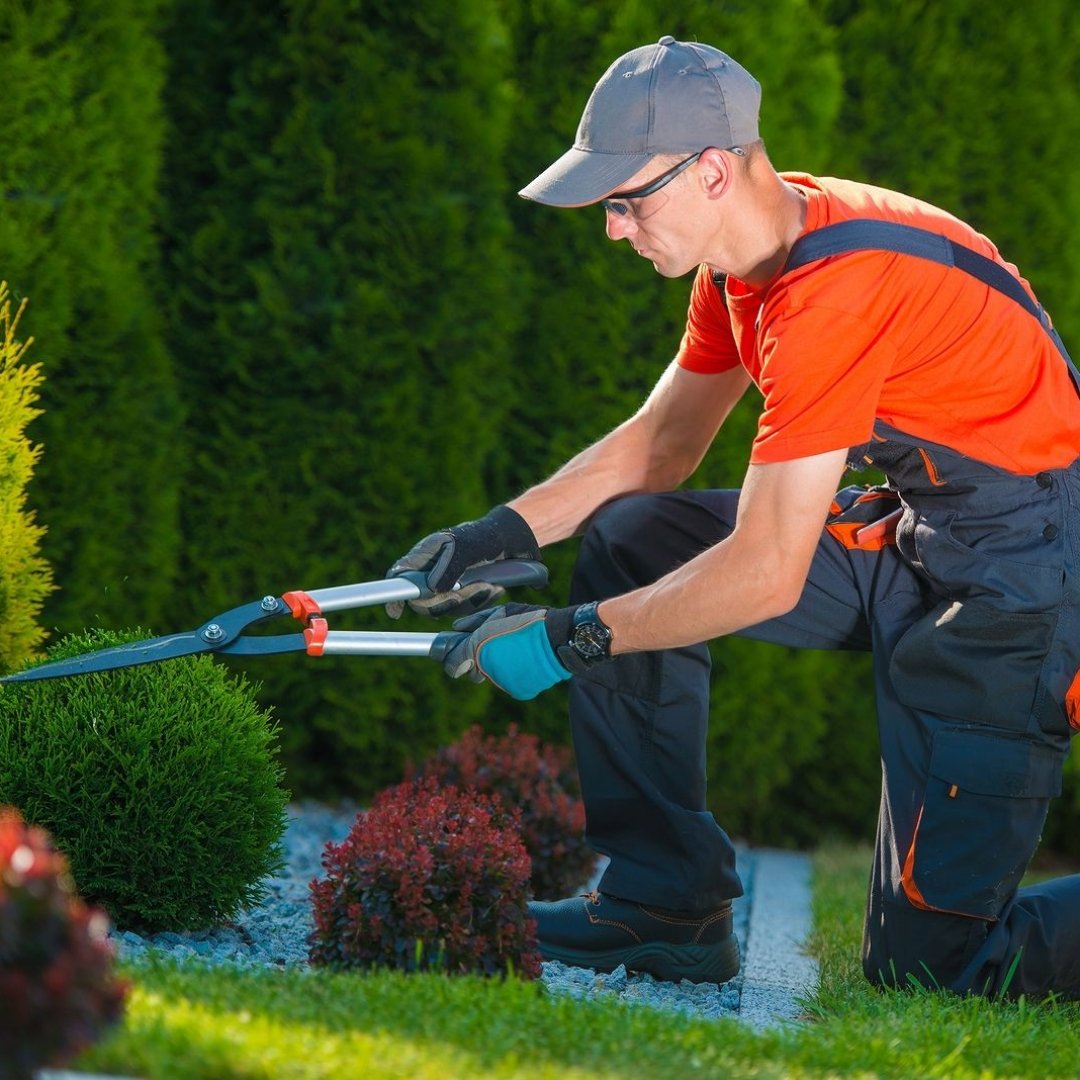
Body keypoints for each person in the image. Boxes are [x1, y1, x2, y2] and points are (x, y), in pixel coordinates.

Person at [387, 35, 1080, 997]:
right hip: (921, 525)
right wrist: (498, 533)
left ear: (712, 169)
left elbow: (765, 571)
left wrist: (566, 639)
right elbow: (661, 444)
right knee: (636, 538)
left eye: (628, 200)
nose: (614, 227)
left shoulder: (834, 291)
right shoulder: (742, 266)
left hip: (1030, 574)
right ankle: (664, 906)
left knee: (941, 972)